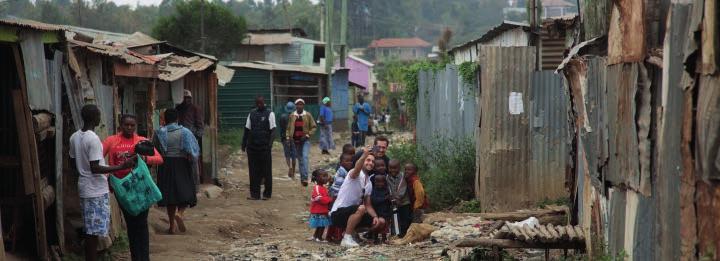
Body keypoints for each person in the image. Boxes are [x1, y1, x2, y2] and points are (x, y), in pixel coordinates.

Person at [69, 104, 136, 261]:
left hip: (85, 186)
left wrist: (82, 171)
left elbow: (72, 162)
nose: (100, 118)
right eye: (99, 115)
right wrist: (121, 166)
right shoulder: (92, 138)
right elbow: (95, 167)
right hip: (95, 190)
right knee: (93, 233)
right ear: (94, 118)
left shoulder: (75, 137)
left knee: (90, 229)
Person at [102, 114, 163, 261]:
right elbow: (97, 158)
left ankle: (144, 257)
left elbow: (159, 159)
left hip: (141, 187)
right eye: (126, 125)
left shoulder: (141, 141)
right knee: (131, 222)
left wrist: (143, 159)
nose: (129, 128)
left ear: (135, 126)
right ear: (120, 126)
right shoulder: (111, 141)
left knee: (141, 222)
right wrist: (107, 177)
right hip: (122, 189)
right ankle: (137, 256)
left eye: (132, 125)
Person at [153, 108, 200, 234]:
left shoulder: (159, 132)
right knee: (186, 192)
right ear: (177, 119)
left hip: (165, 164)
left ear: (165, 119)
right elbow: (192, 150)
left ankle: (172, 226)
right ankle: (180, 213)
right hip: (181, 163)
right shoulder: (185, 132)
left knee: (170, 195)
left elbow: (155, 149)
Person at [330, 146, 386, 248]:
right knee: (361, 208)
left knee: (380, 222)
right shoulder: (354, 173)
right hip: (338, 213)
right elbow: (357, 168)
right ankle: (346, 238)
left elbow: (368, 204)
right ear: (362, 160)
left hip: (353, 214)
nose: (370, 163)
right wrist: (364, 155)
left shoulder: (368, 181)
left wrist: (375, 217)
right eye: (367, 160)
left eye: (373, 161)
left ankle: (352, 233)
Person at [242, 96, 277, 200]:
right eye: (258, 103)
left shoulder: (270, 113)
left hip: (264, 147)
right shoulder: (251, 113)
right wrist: (243, 143)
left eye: (261, 103)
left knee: (266, 171)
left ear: (264, 103)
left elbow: (273, 130)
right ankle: (255, 194)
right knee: (253, 171)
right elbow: (247, 129)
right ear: (256, 104)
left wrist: (269, 145)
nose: (259, 105)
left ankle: (267, 194)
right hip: (252, 147)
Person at [175, 89, 209, 184]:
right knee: (182, 161)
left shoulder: (195, 109)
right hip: (179, 138)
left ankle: (195, 184)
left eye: (188, 98)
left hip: (192, 138)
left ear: (191, 99)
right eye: (184, 98)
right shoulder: (178, 109)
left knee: (193, 161)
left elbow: (200, 126)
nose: (186, 100)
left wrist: (196, 138)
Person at [286, 99, 317, 187]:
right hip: (295, 141)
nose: (299, 106)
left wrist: (307, 135)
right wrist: (288, 138)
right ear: (295, 106)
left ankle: (305, 178)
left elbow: (314, 127)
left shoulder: (307, 115)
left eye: (301, 104)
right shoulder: (292, 115)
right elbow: (288, 128)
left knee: (305, 157)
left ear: (303, 106)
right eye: (298, 104)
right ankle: (303, 178)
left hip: (305, 140)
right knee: (300, 159)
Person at [386, 160, 411, 237]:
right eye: (390, 168)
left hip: (404, 202)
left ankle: (404, 234)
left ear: (399, 168)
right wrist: (391, 198)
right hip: (393, 203)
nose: (393, 170)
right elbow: (388, 188)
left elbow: (403, 188)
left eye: (395, 168)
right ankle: (396, 233)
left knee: (405, 218)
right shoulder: (387, 177)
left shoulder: (403, 176)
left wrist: (398, 198)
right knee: (395, 218)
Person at [309, 169, 333, 242]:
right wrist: (329, 199)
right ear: (317, 178)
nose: (326, 178)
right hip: (319, 210)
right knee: (322, 225)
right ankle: (319, 238)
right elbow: (319, 198)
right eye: (324, 176)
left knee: (320, 225)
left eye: (326, 176)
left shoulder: (323, 187)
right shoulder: (317, 188)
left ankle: (315, 236)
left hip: (322, 210)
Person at [367, 174, 392, 244]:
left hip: (386, 212)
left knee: (385, 226)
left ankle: (384, 239)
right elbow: (374, 200)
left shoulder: (387, 190)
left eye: (381, 182)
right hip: (377, 212)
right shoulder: (374, 190)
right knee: (378, 225)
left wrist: (390, 200)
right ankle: (375, 238)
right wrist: (384, 199)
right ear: (374, 182)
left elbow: (389, 201)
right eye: (377, 182)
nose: (379, 184)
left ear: (384, 182)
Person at [279, 101, 297, 178]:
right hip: (294, 138)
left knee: (287, 154)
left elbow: (281, 128)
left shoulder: (282, 117)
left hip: (285, 138)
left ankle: (289, 167)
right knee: (294, 155)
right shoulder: (296, 117)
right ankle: (293, 169)